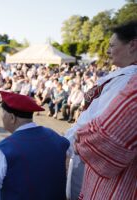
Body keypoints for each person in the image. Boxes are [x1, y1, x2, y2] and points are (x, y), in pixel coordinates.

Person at [65, 21, 137, 200]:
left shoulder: (129, 80)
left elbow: (102, 132)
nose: (108, 50)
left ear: (133, 45)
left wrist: (70, 142)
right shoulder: (124, 76)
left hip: (107, 174)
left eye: (113, 45)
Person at [0, 91, 70, 200]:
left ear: (12, 118)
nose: (1, 116)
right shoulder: (54, 135)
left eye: (3, 112)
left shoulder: (4, 150)